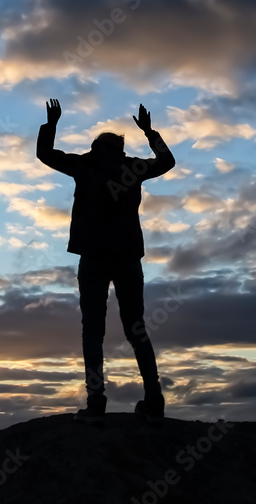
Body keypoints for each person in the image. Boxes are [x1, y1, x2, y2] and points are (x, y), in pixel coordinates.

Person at [36, 98, 176, 426]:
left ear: (97, 148)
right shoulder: (130, 168)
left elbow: (45, 154)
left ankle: (98, 400)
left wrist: (53, 125)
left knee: (94, 330)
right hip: (123, 257)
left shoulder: (85, 166)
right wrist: (150, 133)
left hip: (98, 258)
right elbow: (167, 161)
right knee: (133, 328)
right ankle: (151, 398)